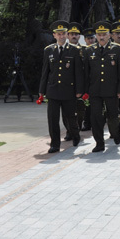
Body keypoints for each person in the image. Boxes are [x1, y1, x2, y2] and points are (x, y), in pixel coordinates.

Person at [38, 20, 84, 153]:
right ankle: (55, 144)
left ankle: (75, 135)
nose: (61, 36)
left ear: (67, 34)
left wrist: (79, 90)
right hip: (53, 90)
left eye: (63, 33)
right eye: (59, 34)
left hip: (69, 90)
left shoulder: (74, 50)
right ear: (54, 35)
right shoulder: (49, 50)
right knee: (52, 119)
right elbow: (45, 72)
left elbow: (78, 73)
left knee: (71, 117)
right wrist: (42, 90)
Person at [84, 21, 120, 152]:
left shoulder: (117, 49)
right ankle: (99, 143)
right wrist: (85, 90)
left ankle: (116, 133)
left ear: (110, 35)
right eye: (99, 34)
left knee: (113, 115)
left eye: (104, 34)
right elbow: (86, 73)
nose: (101, 37)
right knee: (95, 117)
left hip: (112, 89)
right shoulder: (89, 50)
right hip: (95, 90)